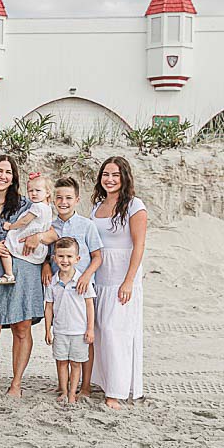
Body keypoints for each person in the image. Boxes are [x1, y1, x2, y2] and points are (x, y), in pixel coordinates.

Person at [0, 154, 53, 397]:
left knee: (22, 328)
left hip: (25, 271)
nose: (3, 176)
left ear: (13, 177)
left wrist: (40, 242)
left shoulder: (26, 204)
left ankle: (16, 384)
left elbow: (52, 232)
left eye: (8, 172)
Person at [89, 156, 148, 409]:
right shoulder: (97, 208)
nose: (110, 179)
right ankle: (103, 382)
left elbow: (139, 244)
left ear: (124, 177)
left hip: (122, 277)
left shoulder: (135, 206)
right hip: (99, 277)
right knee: (101, 332)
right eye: (105, 174)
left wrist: (129, 281)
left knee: (117, 333)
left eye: (115, 175)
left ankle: (116, 391)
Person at [41, 175, 104, 390]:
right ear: (52, 200)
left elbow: (97, 256)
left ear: (77, 199)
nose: (63, 202)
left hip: (82, 287)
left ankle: (85, 385)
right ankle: (64, 386)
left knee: (84, 337)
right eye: (59, 198)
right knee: (63, 334)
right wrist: (46, 265)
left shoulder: (87, 226)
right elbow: (47, 254)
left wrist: (86, 276)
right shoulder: (49, 226)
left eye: (68, 197)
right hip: (60, 289)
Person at [44, 238, 96, 404]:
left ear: (77, 259)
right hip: (60, 331)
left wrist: (90, 329)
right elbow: (49, 307)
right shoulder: (52, 282)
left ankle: (73, 393)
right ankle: (64, 391)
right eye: (60, 256)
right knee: (61, 362)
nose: (64, 260)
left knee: (75, 364)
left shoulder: (83, 281)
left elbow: (89, 306)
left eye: (69, 256)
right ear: (54, 258)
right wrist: (47, 330)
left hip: (79, 331)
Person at [0, 173, 53, 285]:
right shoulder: (48, 208)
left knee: (6, 246)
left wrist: (10, 227)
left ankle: (9, 274)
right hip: (40, 246)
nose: (34, 194)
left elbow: (24, 221)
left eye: (38, 190)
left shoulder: (37, 206)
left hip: (26, 238)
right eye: (30, 191)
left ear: (47, 192)